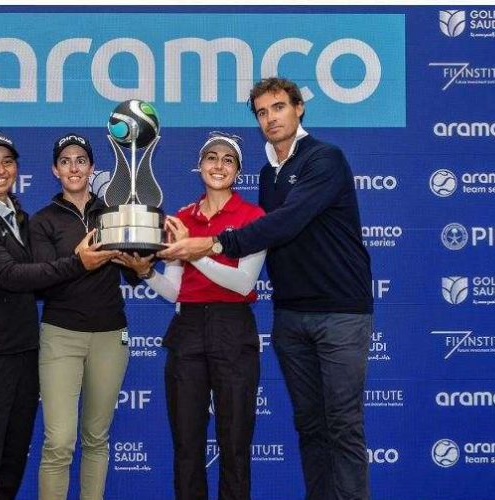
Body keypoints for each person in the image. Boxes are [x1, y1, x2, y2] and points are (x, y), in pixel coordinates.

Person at [158, 78, 373, 500]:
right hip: (290, 315)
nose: (271, 118)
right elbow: (271, 236)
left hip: (340, 312)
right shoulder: (269, 175)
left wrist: (212, 244)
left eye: (278, 107)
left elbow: (286, 222)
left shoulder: (324, 158)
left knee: (343, 425)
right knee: (310, 426)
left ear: (299, 108)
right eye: (262, 112)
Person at [0, 132, 117, 500]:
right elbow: (7, 274)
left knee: (9, 467)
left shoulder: (18, 217)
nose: (0, 169)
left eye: (7, 162)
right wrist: (78, 263)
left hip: (22, 353)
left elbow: (38, 280)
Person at [120, 132, 266, 500]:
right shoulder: (183, 218)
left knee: (235, 445)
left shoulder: (254, 218)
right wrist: (146, 273)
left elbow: (242, 283)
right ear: (199, 166)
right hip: (187, 330)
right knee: (187, 446)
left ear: (238, 172)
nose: (219, 165)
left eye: (228, 160)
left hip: (233, 329)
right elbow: (174, 290)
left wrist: (193, 252)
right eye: (211, 158)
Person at [29, 133, 140, 500]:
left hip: (110, 336)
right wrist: (79, 261)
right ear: (55, 170)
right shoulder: (42, 221)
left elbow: (133, 275)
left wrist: (141, 264)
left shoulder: (113, 214)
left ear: (92, 167)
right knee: (60, 441)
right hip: (61, 335)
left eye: (80, 160)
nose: (73, 167)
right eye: (65, 161)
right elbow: (42, 280)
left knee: (96, 438)